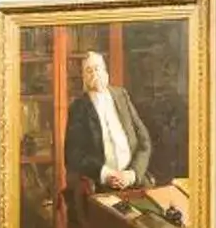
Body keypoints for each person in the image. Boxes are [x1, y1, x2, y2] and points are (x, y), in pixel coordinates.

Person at [63, 50, 154, 194]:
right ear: (84, 78)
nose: (94, 74)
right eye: (89, 71)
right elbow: (73, 154)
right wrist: (106, 175)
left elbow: (144, 141)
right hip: (102, 187)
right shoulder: (78, 107)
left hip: (135, 181)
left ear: (105, 72)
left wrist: (132, 175)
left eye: (97, 68)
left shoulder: (121, 96)